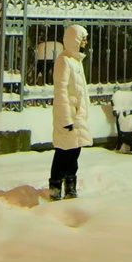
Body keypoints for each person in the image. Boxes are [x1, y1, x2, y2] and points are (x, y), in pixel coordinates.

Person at [50, 24, 91, 200]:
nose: (85, 42)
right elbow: (61, 92)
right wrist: (66, 118)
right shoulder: (64, 61)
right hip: (67, 115)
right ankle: (55, 186)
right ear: (74, 40)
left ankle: (70, 185)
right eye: (83, 39)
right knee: (63, 151)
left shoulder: (76, 61)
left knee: (74, 150)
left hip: (77, 114)